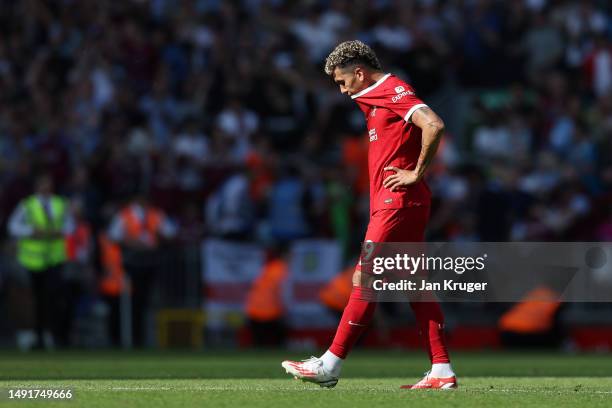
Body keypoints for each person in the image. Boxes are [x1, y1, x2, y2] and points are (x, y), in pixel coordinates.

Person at [282, 41, 456, 389]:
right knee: (416, 287)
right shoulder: (375, 97)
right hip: (398, 203)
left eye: (343, 82)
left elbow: (433, 124)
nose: (342, 90)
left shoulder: (393, 90)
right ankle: (441, 370)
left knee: (365, 281)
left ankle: (329, 364)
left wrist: (416, 172)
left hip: (398, 203)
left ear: (360, 73)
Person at [7, 174, 75, 349]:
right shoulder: (27, 204)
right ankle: (40, 337)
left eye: (48, 184)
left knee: (54, 296)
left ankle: (55, 335)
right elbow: (13, 226)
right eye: (43, 184)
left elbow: (70, 226)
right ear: (37, 186)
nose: (46, 188)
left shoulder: (60, 203)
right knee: (38, 299)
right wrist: (30, 231)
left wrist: (60, 232)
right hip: (34, 260)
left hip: (55, 257)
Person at [107, 194, 177, 347]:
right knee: (132, 302)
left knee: (146, 301)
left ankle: (141, 338)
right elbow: (113, 236)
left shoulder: (155, 214)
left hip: (151, 262)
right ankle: (131, 338)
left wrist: (159, 239)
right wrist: (133, 243)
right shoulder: (125, 215)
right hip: (132, 263)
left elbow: (170, 233)